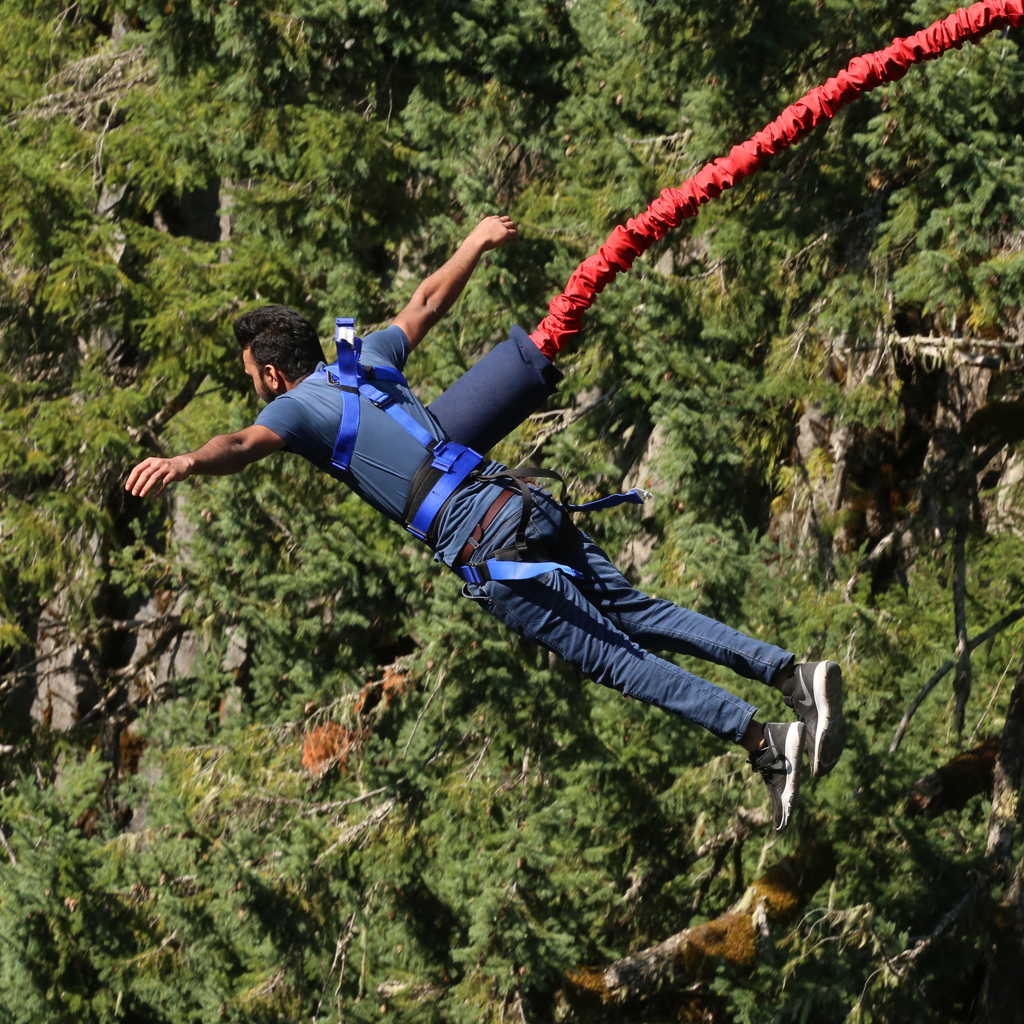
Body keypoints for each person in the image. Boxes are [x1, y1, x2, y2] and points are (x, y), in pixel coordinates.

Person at [125, 214, 845, 831]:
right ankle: (790, 674)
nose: (255, 390)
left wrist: (188, 461)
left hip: (482, 541)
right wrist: (473, 242)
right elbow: (427, 303)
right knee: (637, 612)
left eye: (252, 377)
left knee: (616, 659)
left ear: (273, 376)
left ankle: (764, 741)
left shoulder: (292, 409)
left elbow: (242, 446)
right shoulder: (363, 359)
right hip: (518, 500)